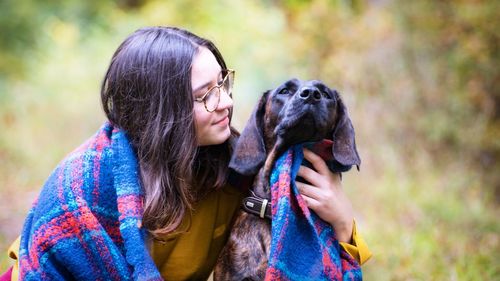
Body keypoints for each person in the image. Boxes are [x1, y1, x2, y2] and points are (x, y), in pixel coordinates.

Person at [2, 26, 371, 281]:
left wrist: (343, 223)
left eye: (224, 83)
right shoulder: (86, 184)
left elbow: (298, 242)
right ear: (160, 110)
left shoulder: (235, 170)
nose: (226, 102)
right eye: (205, 95)